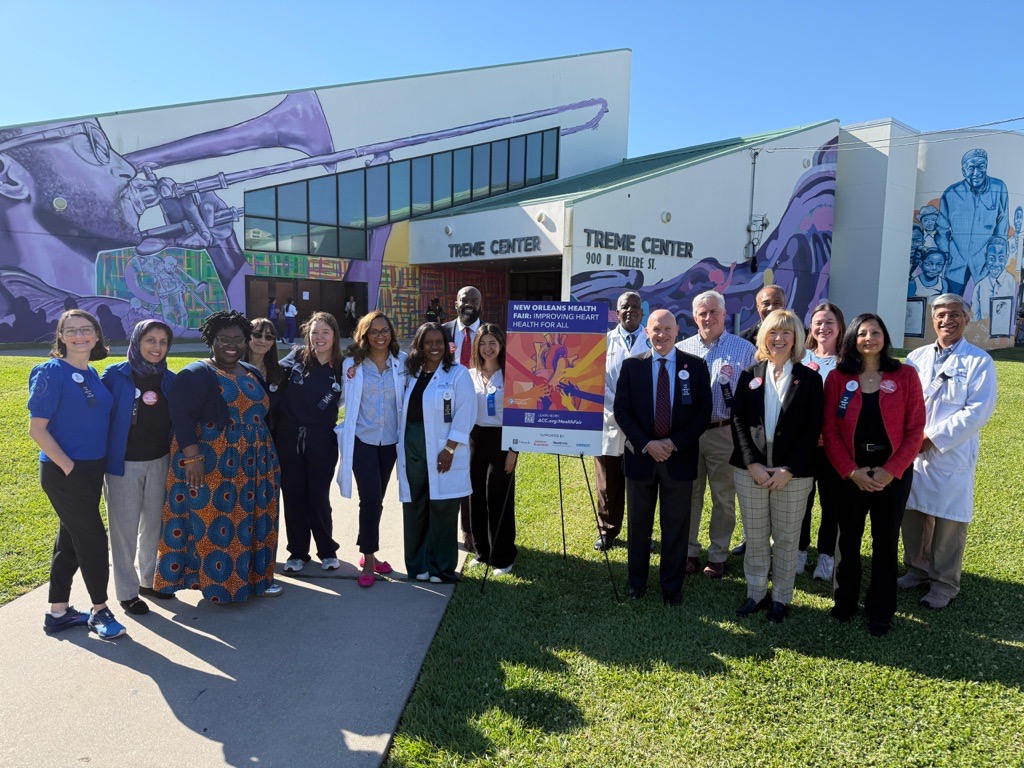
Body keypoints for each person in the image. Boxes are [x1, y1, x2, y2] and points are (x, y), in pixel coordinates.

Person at [153, 311, 282, 602]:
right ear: (211, 340)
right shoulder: (196, 373)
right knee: (212, 522)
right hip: (213, 463)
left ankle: (251, 581)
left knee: (250, 521)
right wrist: (193, 458)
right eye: (223, 339)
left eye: (238, 339)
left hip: (254, 464)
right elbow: (182, 417)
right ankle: (216, 585)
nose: (231, 345)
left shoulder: (251, 371)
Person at [822, 313, 925, 637]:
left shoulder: (906, 375)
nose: (870, 338)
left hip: (891, 475)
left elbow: (915, 430)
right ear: (853, 339)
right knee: (848, 540)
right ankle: (845, 602)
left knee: (885, 543)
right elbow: (830, 430)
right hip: (850, 474)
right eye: (863, 333)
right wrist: (850, 471)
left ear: (885, 337)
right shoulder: (838, 378)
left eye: (875, 332)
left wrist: (890, 471)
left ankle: (880, 610)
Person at [29, 309, 125, 638]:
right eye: (71, 330)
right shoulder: (51, 372)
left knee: (69, 539)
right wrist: (69, 467)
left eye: (87, 330)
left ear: (97, 337)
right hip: (65, 471)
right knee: (93, 539)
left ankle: (57, 612)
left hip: (91, 469)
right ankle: (100, 611)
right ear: (61, 337)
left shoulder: (91, 374)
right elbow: (37, 430)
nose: (80, 335)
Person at [900, 295, 997, 609]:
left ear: (966, 319)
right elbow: (902, 402)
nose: (946, 321)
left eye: (954, 315)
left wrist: (931, 439)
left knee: (948, 523)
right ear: (932, 320)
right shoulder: (916, 358)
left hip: (949, 454)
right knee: (913, 515)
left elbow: (976, 411)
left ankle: (943, 584)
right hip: (913, 453)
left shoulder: (979, 361)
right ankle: (917, 569)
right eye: (940, 315)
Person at [613, 309, 712, 606]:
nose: (662, 335)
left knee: (676, 527)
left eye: (668, 329)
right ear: (647, 332)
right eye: (656, 329)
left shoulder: (694, 366)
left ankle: (671, 586)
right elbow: (622, 412)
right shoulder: (632, 366)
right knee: (639, 526)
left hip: (678, 458)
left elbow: (702, 415)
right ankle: (637, 582)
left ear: (677, 330)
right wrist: (648, 444)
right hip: (641, 459)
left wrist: (671, 443)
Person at [731, 310, 823, 623]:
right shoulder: (750, 373)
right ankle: (756, 593)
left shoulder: (809, 378)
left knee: (786, 538)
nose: (779, 339)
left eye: (786, 333)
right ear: (763, 337)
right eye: (773, 332)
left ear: (796, 338)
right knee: (755, 536)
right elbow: (739, 420)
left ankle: (781, 598)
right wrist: (751, 463)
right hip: (751, 470)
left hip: (793, 473)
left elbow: (813, 428)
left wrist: (790, 469)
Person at [677, 290, 756, 577]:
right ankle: (688, 552)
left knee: (723, 496)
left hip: (724, 432)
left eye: (713, 312)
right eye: (702, 313)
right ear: (694, 316)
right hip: (688, 435)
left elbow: (751, 395)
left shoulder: (744, 349)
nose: (707, 317)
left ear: (724, 315)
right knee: (690, 494)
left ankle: (718, 554)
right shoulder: (682, 348)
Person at [101, 319, 176, 617]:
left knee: (154, 526)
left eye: (162, 342)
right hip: (123, 465)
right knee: (124, 530)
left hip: (160, 461)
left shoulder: (170, 379)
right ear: (136, 341)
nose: (156, 347)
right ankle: (127, 592)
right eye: (150, 340)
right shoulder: (115, 376)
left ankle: (149, 580)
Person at [397, 323, 477, 583]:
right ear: (419, 345)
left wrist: (450, 448)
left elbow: (465, 413)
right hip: (412, 445)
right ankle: (417, 565)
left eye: (439, 342)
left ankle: (440, 567)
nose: (434, 347)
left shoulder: (457, 374)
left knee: (443, 506)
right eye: (428, 342)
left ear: (447, 345)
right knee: (415, 504)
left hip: (444, 447)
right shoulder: (410, 373)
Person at [335, 311, 407, 587]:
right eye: (374, 331)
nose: (380, 336)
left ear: (391, 333)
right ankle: (369, 556)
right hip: (362, 441)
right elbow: (340, 398)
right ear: (364, 335)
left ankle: (369, 553)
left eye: (385, 330)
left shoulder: (401, 364)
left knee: (377, 500)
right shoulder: (353, 366)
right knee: (371, 498)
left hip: (389, 442)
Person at [277, 312, 345, 573]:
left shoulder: (343, 365)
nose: (319, 338)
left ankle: (327, 550)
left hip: (322, 441)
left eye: (325, 332)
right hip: (289, 439)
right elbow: (270, 372)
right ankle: (297, 552)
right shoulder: (295, 357)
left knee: (318, 497)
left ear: (334, 336)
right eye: (315, 332)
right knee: (294, 497)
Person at [594, 291, 648, 551]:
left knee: (641, 483)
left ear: (642, 311)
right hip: (610, 420)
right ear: (617, 312)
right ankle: (607, 530)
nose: (630, 311)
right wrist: (618, 408)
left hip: (642, 425)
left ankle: (642, 533)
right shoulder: (604, 342)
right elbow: (596, 382)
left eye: (635, 307)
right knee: (608, 481)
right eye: (625, 307)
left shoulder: (653, 341)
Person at [799, 302, 846, 581]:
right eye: (817, 322)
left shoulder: (849, 363)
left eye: (829, 322)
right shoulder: (800, 358)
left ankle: (826, 556)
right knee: (801, 502)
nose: (822, 328)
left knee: (832, 504)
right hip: (803, 447)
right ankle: (799, 551)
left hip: (834, 447)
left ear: (840, 326)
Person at [467, 324, 519, 574]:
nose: (488, 348)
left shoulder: (511, 375)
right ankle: (482, 552)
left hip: (502, 441)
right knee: (476, 496)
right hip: (475, 440)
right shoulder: (469, 375)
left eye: (492, 343)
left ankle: (503, 557)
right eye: (483, 343)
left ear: (501, 345)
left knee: (499, 498)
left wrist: (513, 450)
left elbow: (519, 415)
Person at [442, 285, 483, 551]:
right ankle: (444, 529)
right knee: (445, 469)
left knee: (472, 473)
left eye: (474, 300)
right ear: (455, 303)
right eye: (463, 299)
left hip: (480, 413)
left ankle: (469, 530)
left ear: (481, 304)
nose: (468, 303)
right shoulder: (440, 332)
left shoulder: (490, 334)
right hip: (444, 414)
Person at [937, 148, 1009, 295]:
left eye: (982, 166)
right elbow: (942, 228)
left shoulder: (998, 187)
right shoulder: (952, 192)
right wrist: (947, 252)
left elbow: (1002, 224)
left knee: (987, 305)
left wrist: (996, 255)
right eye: (971, 168)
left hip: (984, 262)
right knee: (952, 302)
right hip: (957, 261)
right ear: (963, 171)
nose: (977, 173)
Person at [971, 237, 1013, 320]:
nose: (996, 263)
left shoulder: (1012, 283)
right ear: (986, 257)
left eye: (1001, 259)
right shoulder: (980, 286)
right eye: (991, 258)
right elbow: (974, 317)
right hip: (983, 331)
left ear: (1007, 258)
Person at [245, 317, 285, 393]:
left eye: (268, 337)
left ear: (272, 343)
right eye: (257, 335)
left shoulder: (279, 372)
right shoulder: (233, 369)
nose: (262, 341)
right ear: (247, 337)